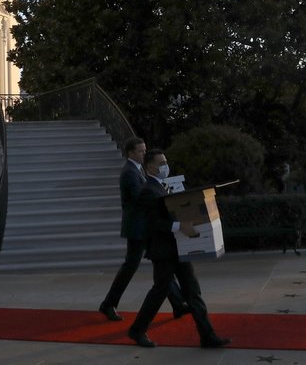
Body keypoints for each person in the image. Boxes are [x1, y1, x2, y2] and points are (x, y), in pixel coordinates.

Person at [127, 150, 230, 349]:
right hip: (163, 250)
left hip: (178, 247)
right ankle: (137, 330)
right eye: (162, 163)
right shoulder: (148, 189)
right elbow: (153, 222)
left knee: (192, 290)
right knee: (159, 291)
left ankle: (207, 336)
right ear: (150, 167)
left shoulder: (163, 186)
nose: (166, 165)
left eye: (166, 161)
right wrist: (180, 226)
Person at [99, 137, 187, 322]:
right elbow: (143, 199)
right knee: (131, 267)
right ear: (131, 153)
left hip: (144, 226)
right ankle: (108, 304)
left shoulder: (137, 170)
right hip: (138, 227)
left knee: (161, 264)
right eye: (140, 151)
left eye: (145, 150)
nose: (144, 154)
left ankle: (178, 304)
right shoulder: (130, 173)